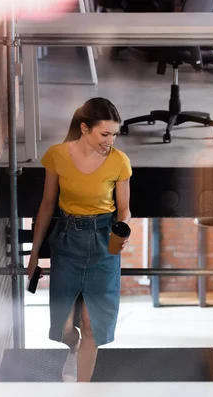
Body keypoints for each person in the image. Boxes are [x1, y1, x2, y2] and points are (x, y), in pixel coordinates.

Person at [27, 97, 132, 382]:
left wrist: (122, 229)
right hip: (68, 240)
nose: (110, 141)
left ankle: (82, 390)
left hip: (103, 241)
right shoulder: (57, 155)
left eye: (114, 134)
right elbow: (48, 204)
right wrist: (35, 254)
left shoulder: (119, 161)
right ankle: (72, 350)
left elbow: (123, 207)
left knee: (91, 325)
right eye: (104, 133)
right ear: (85, 129)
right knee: (65, 327)